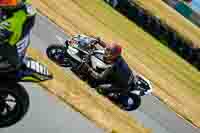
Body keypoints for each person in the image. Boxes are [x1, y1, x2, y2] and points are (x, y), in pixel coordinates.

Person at [0, 0, 36, 72]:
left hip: (7, 59)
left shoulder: (15, 21)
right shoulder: (21, 9)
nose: (6, 2)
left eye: (10, 1)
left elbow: (2, 32)